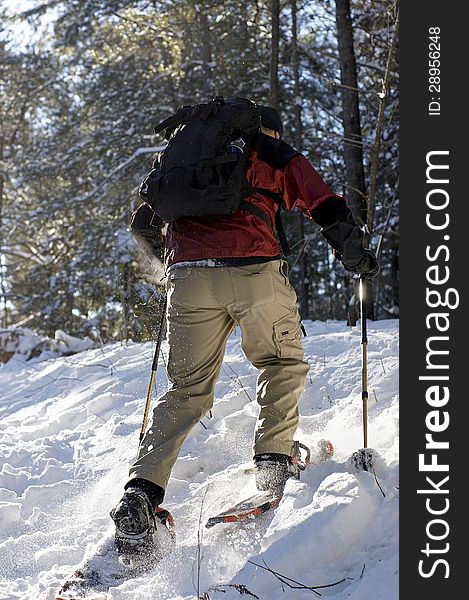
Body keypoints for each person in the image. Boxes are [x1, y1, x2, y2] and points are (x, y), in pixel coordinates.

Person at [110, 104, 379, 551]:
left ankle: (141, 494)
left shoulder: (185, 156)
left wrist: (174, 265)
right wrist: (355, 256)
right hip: (254, 269)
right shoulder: (269, 151)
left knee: (185, 390)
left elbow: (143, 223)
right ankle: (274, 460)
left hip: (189, 278)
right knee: (281, 362)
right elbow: (323, 202)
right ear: (264, 128)